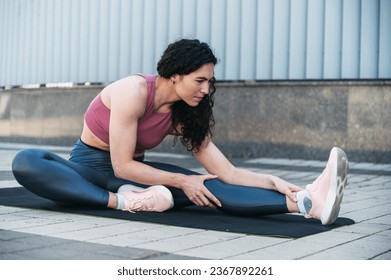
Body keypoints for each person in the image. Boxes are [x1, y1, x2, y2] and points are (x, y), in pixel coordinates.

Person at [12, 39, 348, 225]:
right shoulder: (133, 91)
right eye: (199, 80)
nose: (205, 89)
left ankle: (308, 203)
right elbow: (121, 166)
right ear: (175, 74)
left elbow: (225, 172)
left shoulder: (184, 113)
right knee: (27, 160)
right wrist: (180, 181)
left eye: (209, 82)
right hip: (89, 172)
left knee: (208, 186)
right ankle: (123, 203)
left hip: (137, 176)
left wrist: (271, 180)